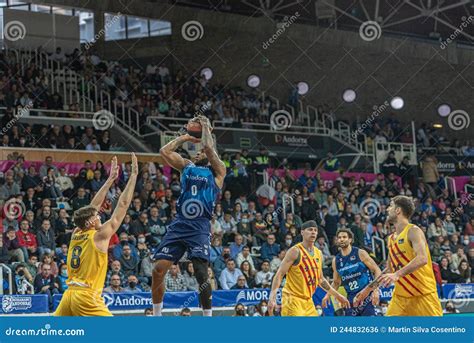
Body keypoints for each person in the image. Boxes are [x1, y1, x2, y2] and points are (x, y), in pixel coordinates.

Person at [152, 116, 226, 317]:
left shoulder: (218, 172)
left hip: (200, 227)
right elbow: (164, 151)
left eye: (204, 150)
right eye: (199, 151)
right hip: (179, 225)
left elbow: (210, 150)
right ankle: (157, 316)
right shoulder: (186, 166)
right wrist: (185, 136)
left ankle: (207, 318)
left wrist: (206, 129)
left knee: (202, 273)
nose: (201, 151)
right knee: (158, 270)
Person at [54, 154, 138, 316]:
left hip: (69, 295)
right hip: (86, 296)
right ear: (90, 222)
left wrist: (110, 180)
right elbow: (123, 204)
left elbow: (92, 207)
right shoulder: (99, 235)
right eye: (96, 216)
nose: (99, 215)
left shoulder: (77, 232)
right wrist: (133, 177)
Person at [377, 195, 442, 316]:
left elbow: (422, 258)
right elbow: (390, 268)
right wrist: (368, 289)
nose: (387, 209)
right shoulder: (390, 239)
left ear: (398, 210)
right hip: (400, 297)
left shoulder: (414, 231)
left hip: (423, 294)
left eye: (390, 206)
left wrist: (397, 274)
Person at [268, 221, 350, 316]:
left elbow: (321, 280)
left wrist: (338, 295)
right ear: (302, 232)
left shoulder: (318, 253)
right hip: (292, 299)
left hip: (308, 301)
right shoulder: (295, 251)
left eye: (315, 230)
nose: (313, 232)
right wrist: (272, 297)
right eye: (310, 229)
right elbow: (280, 274)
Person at [322, 228, 382, 316]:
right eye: (339, 237)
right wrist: (327, 295)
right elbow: (336, 282)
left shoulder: (360, 253)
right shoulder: (336, 260)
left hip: (367, 295)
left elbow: (377, 270)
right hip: (351, 299)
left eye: (344, 237)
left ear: (350, 240)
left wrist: (376, 290)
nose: (341, 239)